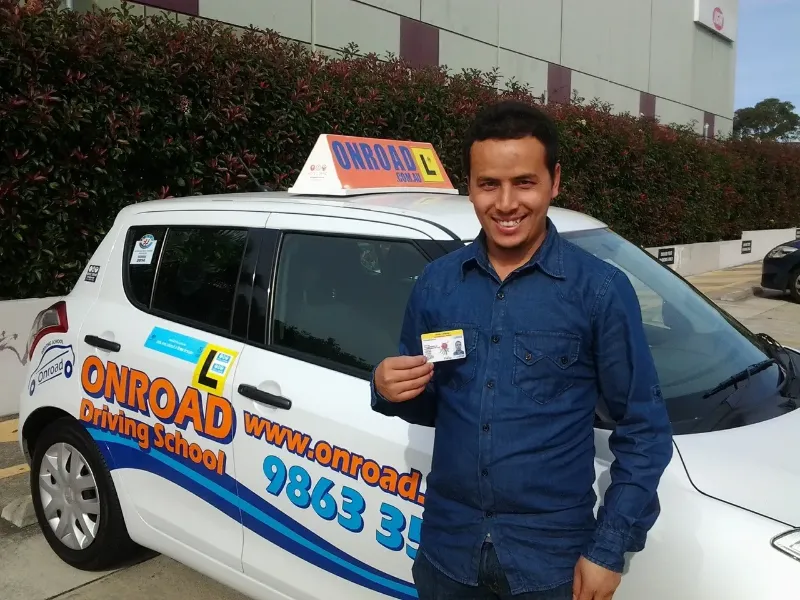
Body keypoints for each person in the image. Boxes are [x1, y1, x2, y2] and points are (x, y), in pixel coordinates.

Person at [370, 99, 674, 600]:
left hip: (550, 567)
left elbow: (643, 429)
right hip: (448, 555)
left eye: (524, 183)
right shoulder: (436, 284)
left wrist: (608, 548)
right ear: (470, 186)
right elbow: (427, 401)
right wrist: (387, 387)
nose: (506, 203)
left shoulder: (598, 290)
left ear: (554, 181)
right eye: (489, 183)